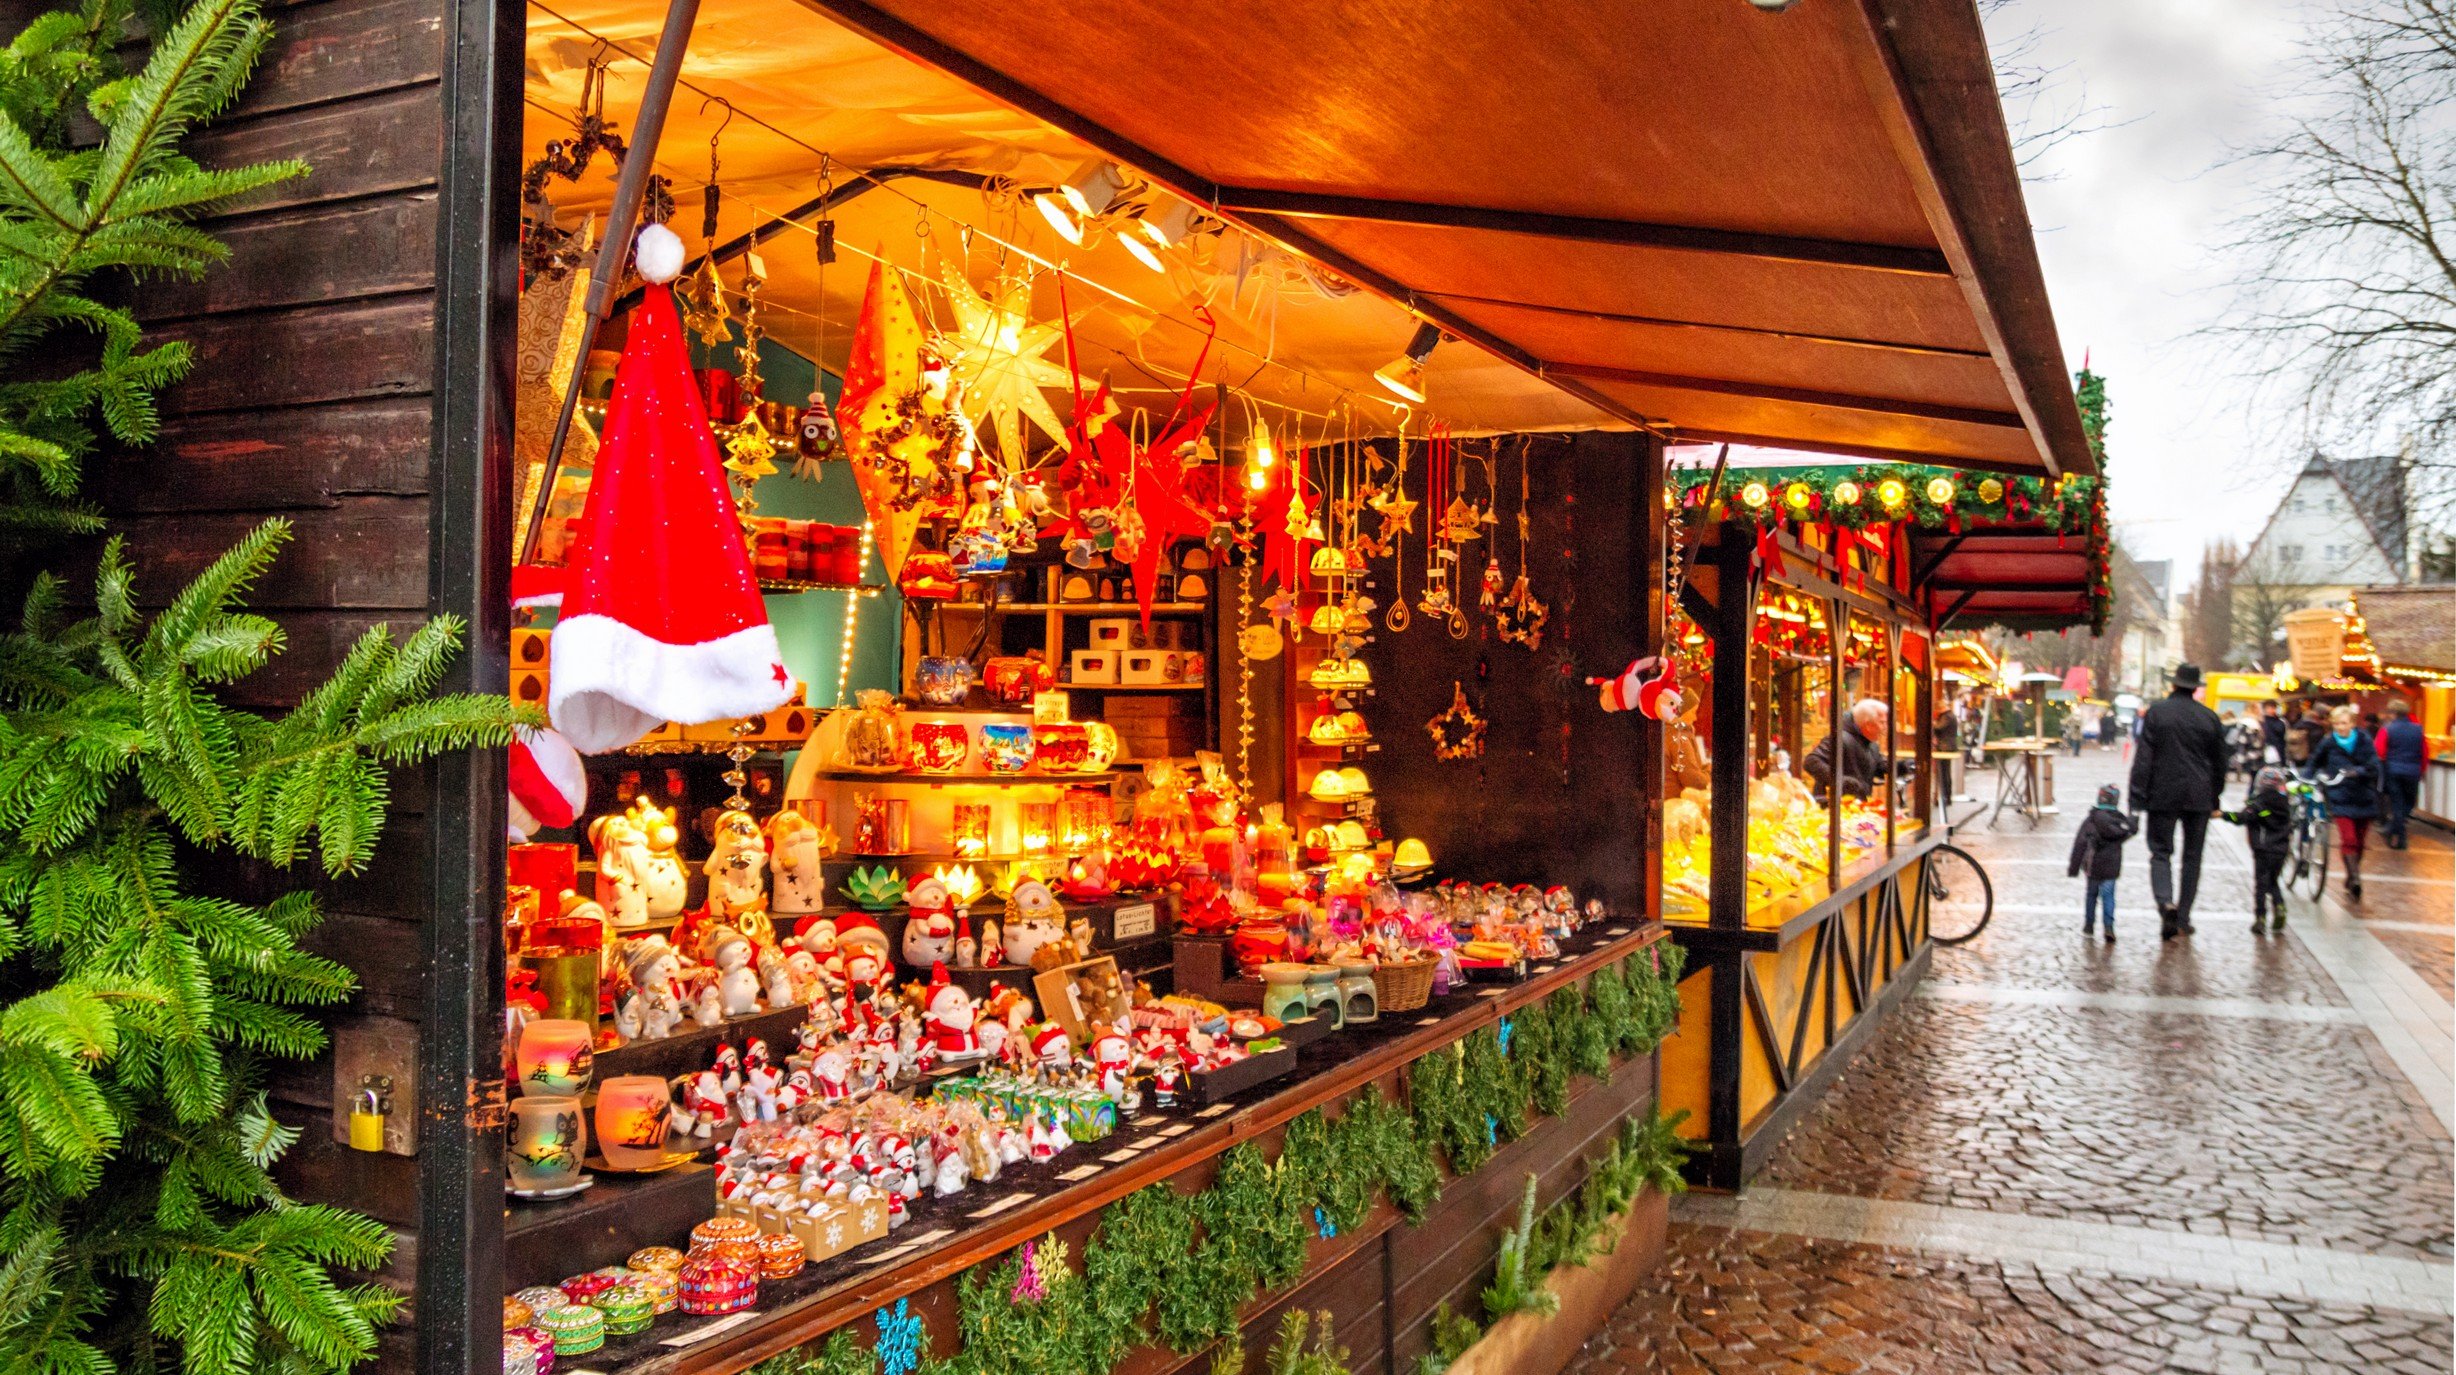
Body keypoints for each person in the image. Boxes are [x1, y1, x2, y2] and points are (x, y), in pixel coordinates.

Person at [2128, 663, 2230, 940]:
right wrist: (2215, 796)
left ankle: (2165, 902)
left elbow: (2143, 760)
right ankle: (2184, 916)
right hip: (2199, 795)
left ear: (2173, 684)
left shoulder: (2157, 713)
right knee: (2193, 857)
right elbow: (2221, 763)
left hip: (2163, 793)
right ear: (2196, 688)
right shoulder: (2209, 718)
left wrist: (2136, 801)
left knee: (2160, 852)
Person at [2307, 703, 2385, 898]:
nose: (2340, 727)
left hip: (2364, 796)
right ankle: (2356, 877)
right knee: (2348, 839)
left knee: (2359, 842)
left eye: (2344, 723)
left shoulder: (2364, 740)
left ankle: (2351, 876)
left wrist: (2356, 772)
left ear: (2352, 723)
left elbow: (2374, 767)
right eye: (2336, 724)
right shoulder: (2328, 742)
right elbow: (2314, 762)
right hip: (2340, 796)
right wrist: (2306, 778)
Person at [2221, 767, 2297, 934]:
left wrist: (2222, 814)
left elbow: (2241, 818)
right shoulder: (2284, 804)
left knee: (2261, 884)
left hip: (2263, 849)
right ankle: (2279, 905)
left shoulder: (2257, 803)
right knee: (2273, 881)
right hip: (2281, 850)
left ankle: (2260, 918)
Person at [2067, 783, 2138, 942]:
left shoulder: (2091, 820)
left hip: (2092, 866)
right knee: (2109, 896)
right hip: (2111, 866)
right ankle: (2108, 926)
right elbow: (2131, 831)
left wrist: (2074, 868)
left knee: (2091, 895)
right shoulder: (2120, 821)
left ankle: (2089, 924)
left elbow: (2080, 844)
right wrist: (2135, 817)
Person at [1804, 699, 1890, 800]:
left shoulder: (1871, 745)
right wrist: (1839, 780)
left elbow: (1877, 767)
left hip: (1857, 807)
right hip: (1832, 807)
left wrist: (1902, 766)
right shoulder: (1839, 739)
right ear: (1868, 725)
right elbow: (1811, 761)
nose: (1885, 728)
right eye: (1882, 723)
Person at [2376, 698, 2427, 850]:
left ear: (2393, 713)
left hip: (2393, 770)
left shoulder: (2387, 729)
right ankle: (2398, 835)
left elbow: (2379, 751)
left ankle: (2395, 832)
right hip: (2413, 771)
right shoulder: (2418, 729)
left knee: (2397, 803)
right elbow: (2424, 752)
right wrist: (2422, 770)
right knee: (2409, 803)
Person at [2258, 700, 2288, 770]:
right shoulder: (2261, 722)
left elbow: (2283, 739)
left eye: (2273, 708)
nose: (2271, 710)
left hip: (2278, 751)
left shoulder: (2280, 722)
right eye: (2269, 708)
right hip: (2264, 751)